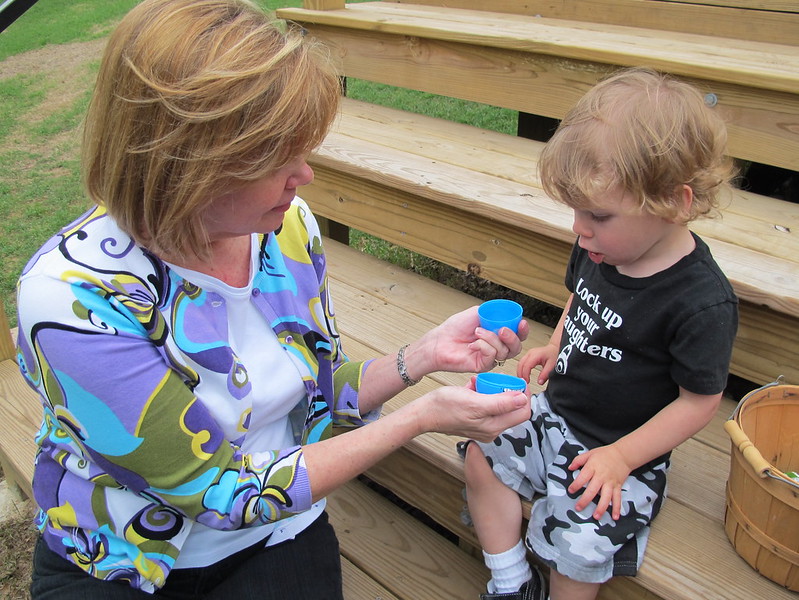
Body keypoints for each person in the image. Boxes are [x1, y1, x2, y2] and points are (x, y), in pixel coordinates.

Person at [15, 1, 532, 598]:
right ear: (183, 162)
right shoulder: (74, 299)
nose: (305, 175)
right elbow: (218, 494)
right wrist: (421, 418)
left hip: (279, 531)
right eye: (276, 157)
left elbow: (313, 392)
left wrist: (421, 356)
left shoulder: (284, 230)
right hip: (125, 561)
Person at [462, 67, 739, 600]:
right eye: (575, 211)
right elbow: (580, 297)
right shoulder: (601, 245)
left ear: (675, 203)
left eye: (597, 214)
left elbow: (699, 402)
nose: (578, 228)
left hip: (621, 452)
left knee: (579, 550)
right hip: (556, 415)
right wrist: (556, 343)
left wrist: (622, 457)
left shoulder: (701, 301)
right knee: (481, 454)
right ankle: (511, 581)